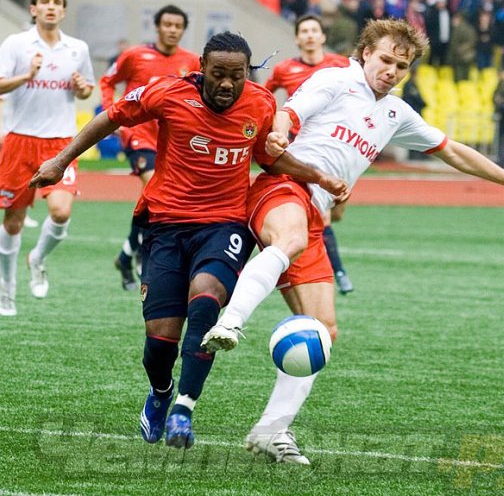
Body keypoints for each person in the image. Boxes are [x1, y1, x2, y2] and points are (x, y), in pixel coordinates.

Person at [202, 19, 504, 465]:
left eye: (401, 66)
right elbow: (289, 112)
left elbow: (452, 150)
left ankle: (271, 431)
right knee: (289, 239)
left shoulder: (396, 113)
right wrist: (279, 132)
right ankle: (231, 322)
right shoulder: (336, 80)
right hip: (283, 188)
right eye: (386, 59)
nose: (392, 71)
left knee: (323, 330)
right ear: (366, 52)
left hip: (317, 215)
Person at [29, 31, 347, 449]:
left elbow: (268, 158)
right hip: (165, 225)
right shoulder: (168, 93)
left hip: (224, 226)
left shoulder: (260, 103)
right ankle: (162, 392)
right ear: (202, 68)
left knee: (206, 299)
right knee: (159, 344)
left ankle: (184, 407)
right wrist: (60, 161)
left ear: (247, 73)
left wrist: (319, 176)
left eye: (236, 75)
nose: (227, 84)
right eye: (218, 74)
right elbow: (112, 117)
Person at [0, 0, 94, 316]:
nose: (51, 6)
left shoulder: (77, 48)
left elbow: (86, 89)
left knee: (61, 212)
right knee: (13, 221)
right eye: (44, 1)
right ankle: (6, 290)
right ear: (33, 9)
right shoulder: (16, 44)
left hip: (60, 144)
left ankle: (37, 258)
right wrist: (27, 75)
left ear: (63, 11)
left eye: (56, 2)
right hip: (19, 141)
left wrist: (82, 89)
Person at [100, 5, 200, 291]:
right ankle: (143, 254)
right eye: (167, 24)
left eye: (177, 26)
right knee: (154, 188)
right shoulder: (135, 55)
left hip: (172, 141)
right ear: (157, 27)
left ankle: (125, 255)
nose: (172, 30)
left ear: (183, 30)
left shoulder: (192, 62)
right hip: (138, 134)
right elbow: (107, 81)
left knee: (156, 198)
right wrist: (112, 115)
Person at [264, 14, 354, 294]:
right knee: (319, 215)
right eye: (304, 31)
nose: (310, 35)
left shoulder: (340, 65)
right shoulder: (285, 69)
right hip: (302, 149)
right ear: (297, 38)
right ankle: (337, 272)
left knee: (336, 215)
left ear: (322, 36)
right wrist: (275, 128)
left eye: (315, 30)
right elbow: (266, 96)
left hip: (333, 147)